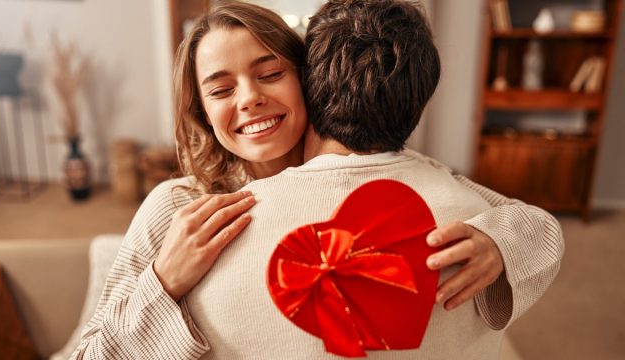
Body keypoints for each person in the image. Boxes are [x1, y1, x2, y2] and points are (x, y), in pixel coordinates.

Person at [71, 1, 563, 359]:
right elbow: (90, 353)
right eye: (221, 88)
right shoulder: (176, 206)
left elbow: (533, 221)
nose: (248, 99)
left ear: (308, 79)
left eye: (270, 74)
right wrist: (164, 282)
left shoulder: (391, 168)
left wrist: (499, 239)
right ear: (201, 109)